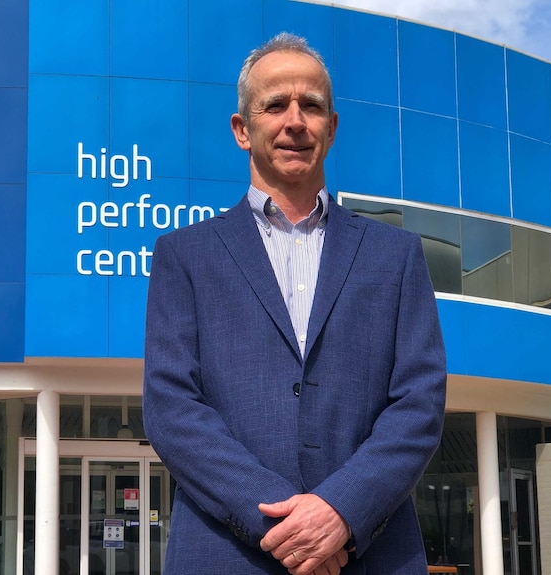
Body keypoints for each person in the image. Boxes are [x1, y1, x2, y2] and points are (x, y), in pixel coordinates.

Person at [143, 32, 447, 575]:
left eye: (312, 105)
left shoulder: (396, 255)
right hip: (227, 554)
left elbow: (419, 404)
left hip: (370, 554)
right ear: (242, 129)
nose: (295, 120)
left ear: (331, 127)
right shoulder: (183, 256)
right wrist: (289, 529)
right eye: (275, 104)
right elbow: (172, 410)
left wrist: (341, 513)